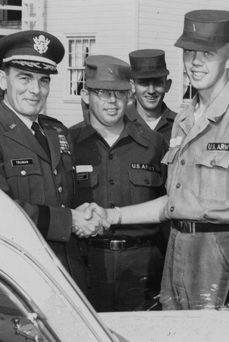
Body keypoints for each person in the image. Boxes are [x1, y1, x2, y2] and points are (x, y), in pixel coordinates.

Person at [88, 10, 229, 311]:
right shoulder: (184, 119)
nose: (195, 62)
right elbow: (172, 205)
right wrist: (112, 216)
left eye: (207, 53)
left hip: (217, 253)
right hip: (176, 249)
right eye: (189, 52)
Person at [0, 31, 100, 285]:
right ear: (2, 79)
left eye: (43, 81)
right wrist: (68, 221)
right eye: (25, 78)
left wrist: (84, 214)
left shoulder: (57, 132)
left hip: (66, 271)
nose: (35, 90)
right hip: (16, 276)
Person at [69, 55, 167, 312]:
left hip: (142, 268)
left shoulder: (154, 144)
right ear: (85, 95)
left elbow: (171, 205)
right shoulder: (67, 144)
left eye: (120, 93)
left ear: (130, 95)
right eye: (103, 92)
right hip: (87, 265)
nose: (113, 101)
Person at [126, 49, 176, 144]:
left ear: (167, 85)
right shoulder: (120, 123)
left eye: (158, 83)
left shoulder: (180, 124)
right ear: (132, 86)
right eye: (144, 83)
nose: (151, 91)